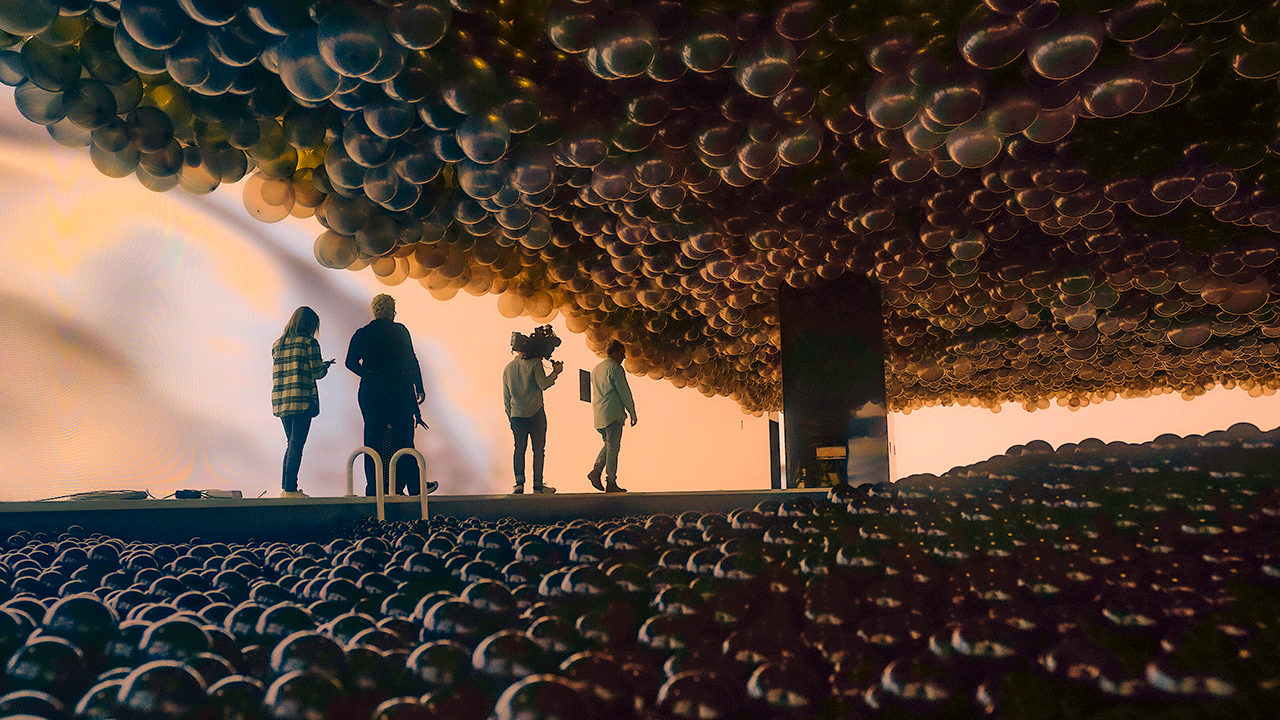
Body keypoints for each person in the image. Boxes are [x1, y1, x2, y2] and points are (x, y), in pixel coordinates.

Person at [345, 294, 434, 496]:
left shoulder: (363, 333)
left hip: (371, 391)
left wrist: (367, 375)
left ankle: (373, 488)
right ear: (391, 311)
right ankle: (415, 486)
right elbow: (412, 360)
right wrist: (419, 386)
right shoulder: (400, 331)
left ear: (375, 310)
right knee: (404, 438)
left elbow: (350, 362)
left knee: (372, 439)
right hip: (398, 389)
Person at [271, 306, 335, 499]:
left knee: (291, 444)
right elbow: (316, 372)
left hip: (282, 402)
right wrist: (325, 366)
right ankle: (290, 489)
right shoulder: (309, 342)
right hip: (301, 401)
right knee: (296, 445)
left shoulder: (278, 344)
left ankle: (287, 488)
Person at [503, 340, 564, 494]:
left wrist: (511, 416)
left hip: (517, 415)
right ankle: (538, 485)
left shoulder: (508, 368)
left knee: (519, 448)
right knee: (538, 450)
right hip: (536, 413)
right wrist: (555, 372)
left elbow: (506, 397)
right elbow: (543, 384)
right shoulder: (535, 363)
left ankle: (519, 483)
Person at [588, 340, 636, 493]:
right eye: (622, 354)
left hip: (599, 414)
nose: (623, 357)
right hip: (613, 413)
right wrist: (632, 411)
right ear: (615, 352)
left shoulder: (597, 369)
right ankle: (611, 481)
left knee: (609, 445)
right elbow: (624, 392)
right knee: (613, 448)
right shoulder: (615, 369)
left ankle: (596, 470)